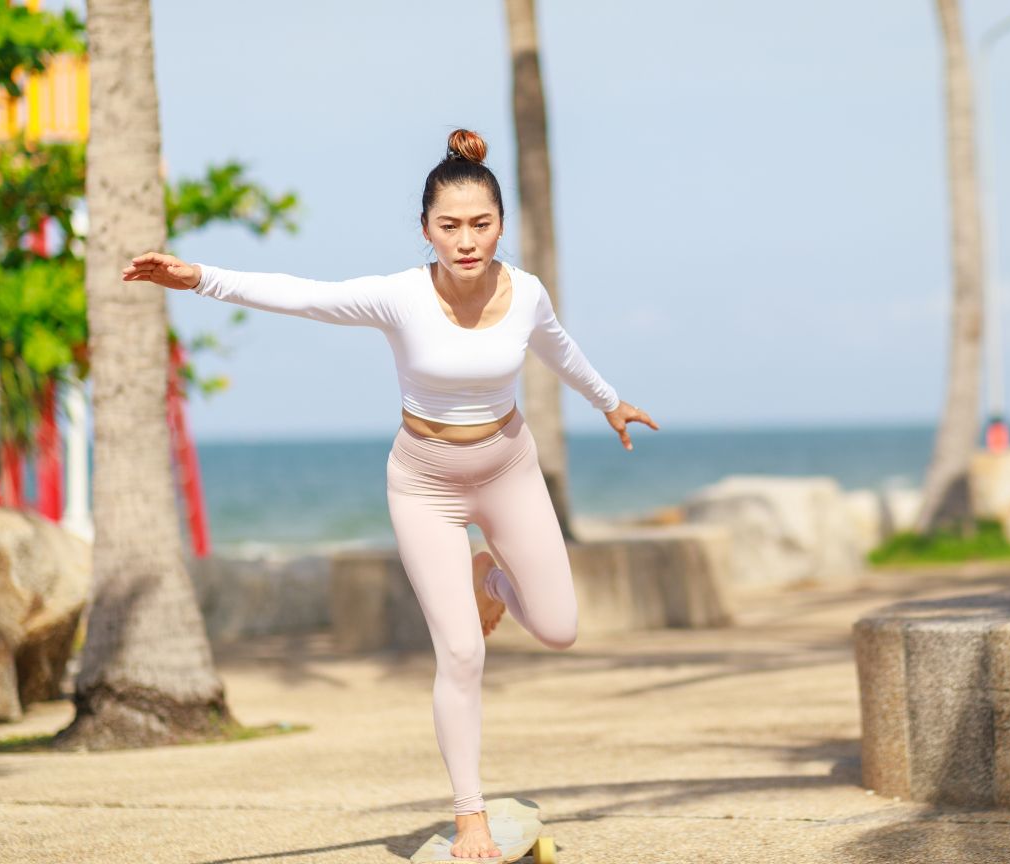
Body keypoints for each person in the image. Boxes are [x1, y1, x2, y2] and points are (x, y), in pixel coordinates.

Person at [123, 128, 658, 859]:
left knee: (560, 627)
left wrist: (610, 401)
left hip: (508, 468)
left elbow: (558, 346)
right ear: (425, 229)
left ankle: (491, 574)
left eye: (481, 224)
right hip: (426, 486)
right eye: (449, 226)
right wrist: (200, 279)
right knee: (461, 654)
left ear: (501, 224)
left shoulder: (525, 292)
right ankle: (468, 813)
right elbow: (303, 297)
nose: (466, 241)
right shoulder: (400, 296)